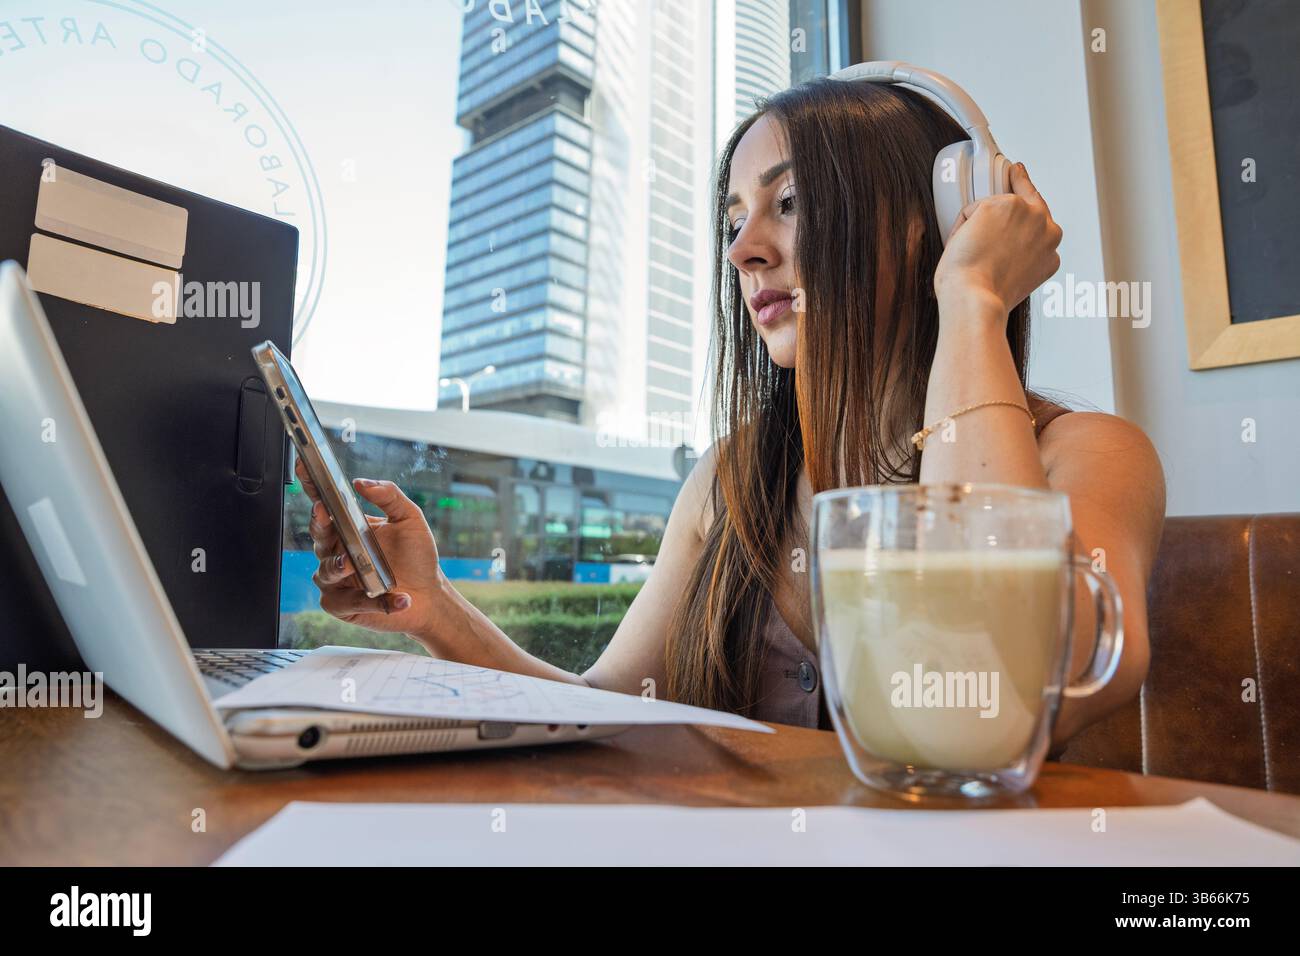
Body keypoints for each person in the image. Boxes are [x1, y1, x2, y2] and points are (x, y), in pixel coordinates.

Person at [299, 77, 1165, 748]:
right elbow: (603, 710)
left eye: (789, 204)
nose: (745, 250)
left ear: (933, 222)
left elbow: (1014, 693)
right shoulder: (731, 477)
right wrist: (432, 606)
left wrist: (971, 299)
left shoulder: (1088, 455)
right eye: (735, 219)